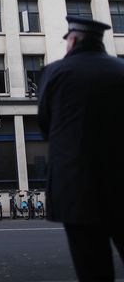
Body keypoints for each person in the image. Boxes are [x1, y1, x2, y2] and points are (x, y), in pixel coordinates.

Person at [38, 15, 124, 281]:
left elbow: (46, 127)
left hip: (77, 191)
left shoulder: (54, 73)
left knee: (93, 270)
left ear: (73, 41)